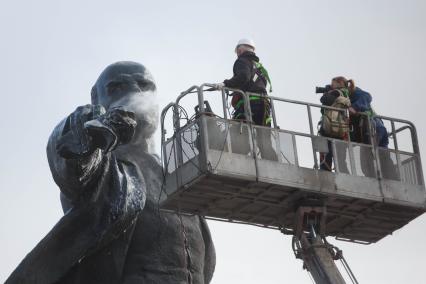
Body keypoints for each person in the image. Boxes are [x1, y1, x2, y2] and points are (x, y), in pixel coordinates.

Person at [6, 62, 216, 284]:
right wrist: (90, 128)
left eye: (145, 85)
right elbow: (67, 156)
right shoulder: (103, 171)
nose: (135, 92)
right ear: (96, 100)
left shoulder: (180, 179)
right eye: (117, 88)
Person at [216, 38, 277, 161]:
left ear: (241, 49)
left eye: (238, 50)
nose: (237, 53)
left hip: (249, 105)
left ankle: (234, 163)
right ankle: (275, 168)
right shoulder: (259, 67)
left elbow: (243, 77)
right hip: (263, 106)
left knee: (238, 136)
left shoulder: (242, 61)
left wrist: (225, 84)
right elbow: (254, 84)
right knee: (264, 141)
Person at [318, 76, 353, 173]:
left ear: (340, 83)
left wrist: (328, 92)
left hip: (330, 126)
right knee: (340, 157)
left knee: (326, 153)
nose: (331, 86)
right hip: (340, 128)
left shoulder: (337, 92)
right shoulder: (346, 93)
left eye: (332, 84)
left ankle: (324, 173)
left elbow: (324, 100)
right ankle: (344, 175)